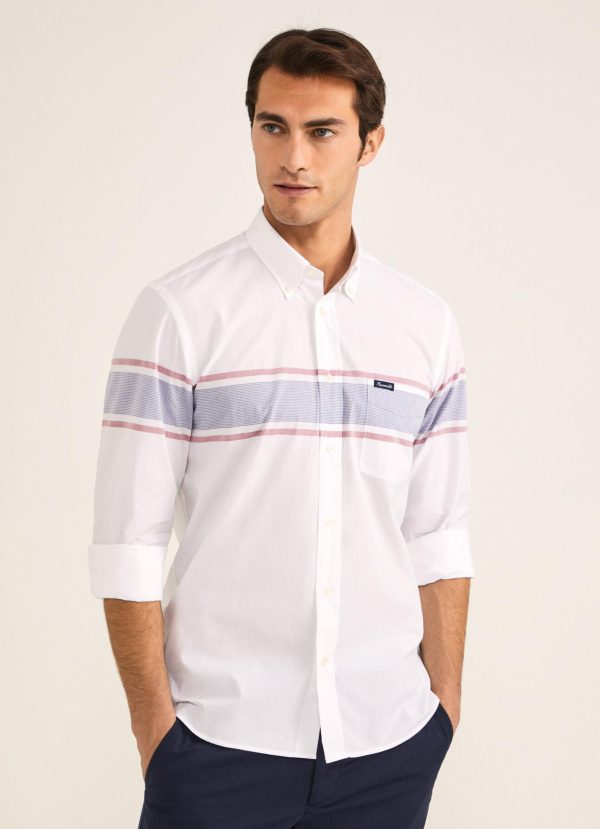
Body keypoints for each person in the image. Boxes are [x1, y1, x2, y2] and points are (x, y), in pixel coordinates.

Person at [88, 27, 475, 829]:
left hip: (388, 741)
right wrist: (157, 733)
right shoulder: (178, 314)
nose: (293, 157)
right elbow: (127, 543)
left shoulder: (424, 326)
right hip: (217, 743)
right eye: (274, 127)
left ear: (370, 143)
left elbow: (437, 535)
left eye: (322, 131)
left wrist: (443, 707)